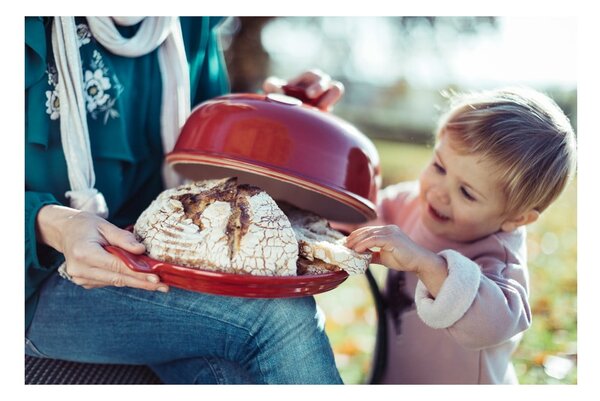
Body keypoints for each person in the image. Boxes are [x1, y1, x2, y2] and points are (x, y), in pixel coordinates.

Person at [25, 16, 345, 384]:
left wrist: (275, 118)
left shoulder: (186, 21)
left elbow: (205, 166)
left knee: (236, 374)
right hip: (38, 275)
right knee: (276, 316)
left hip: (166, 259)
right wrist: (55, 225)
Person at [344, 87, 576, 384]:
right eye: (439, 167)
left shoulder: (498, 257)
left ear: (516, 218)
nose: (439, 192)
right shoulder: (414, 202)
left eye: (466, 192)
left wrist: (426, 265)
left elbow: (493, 324)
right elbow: (366, 214)